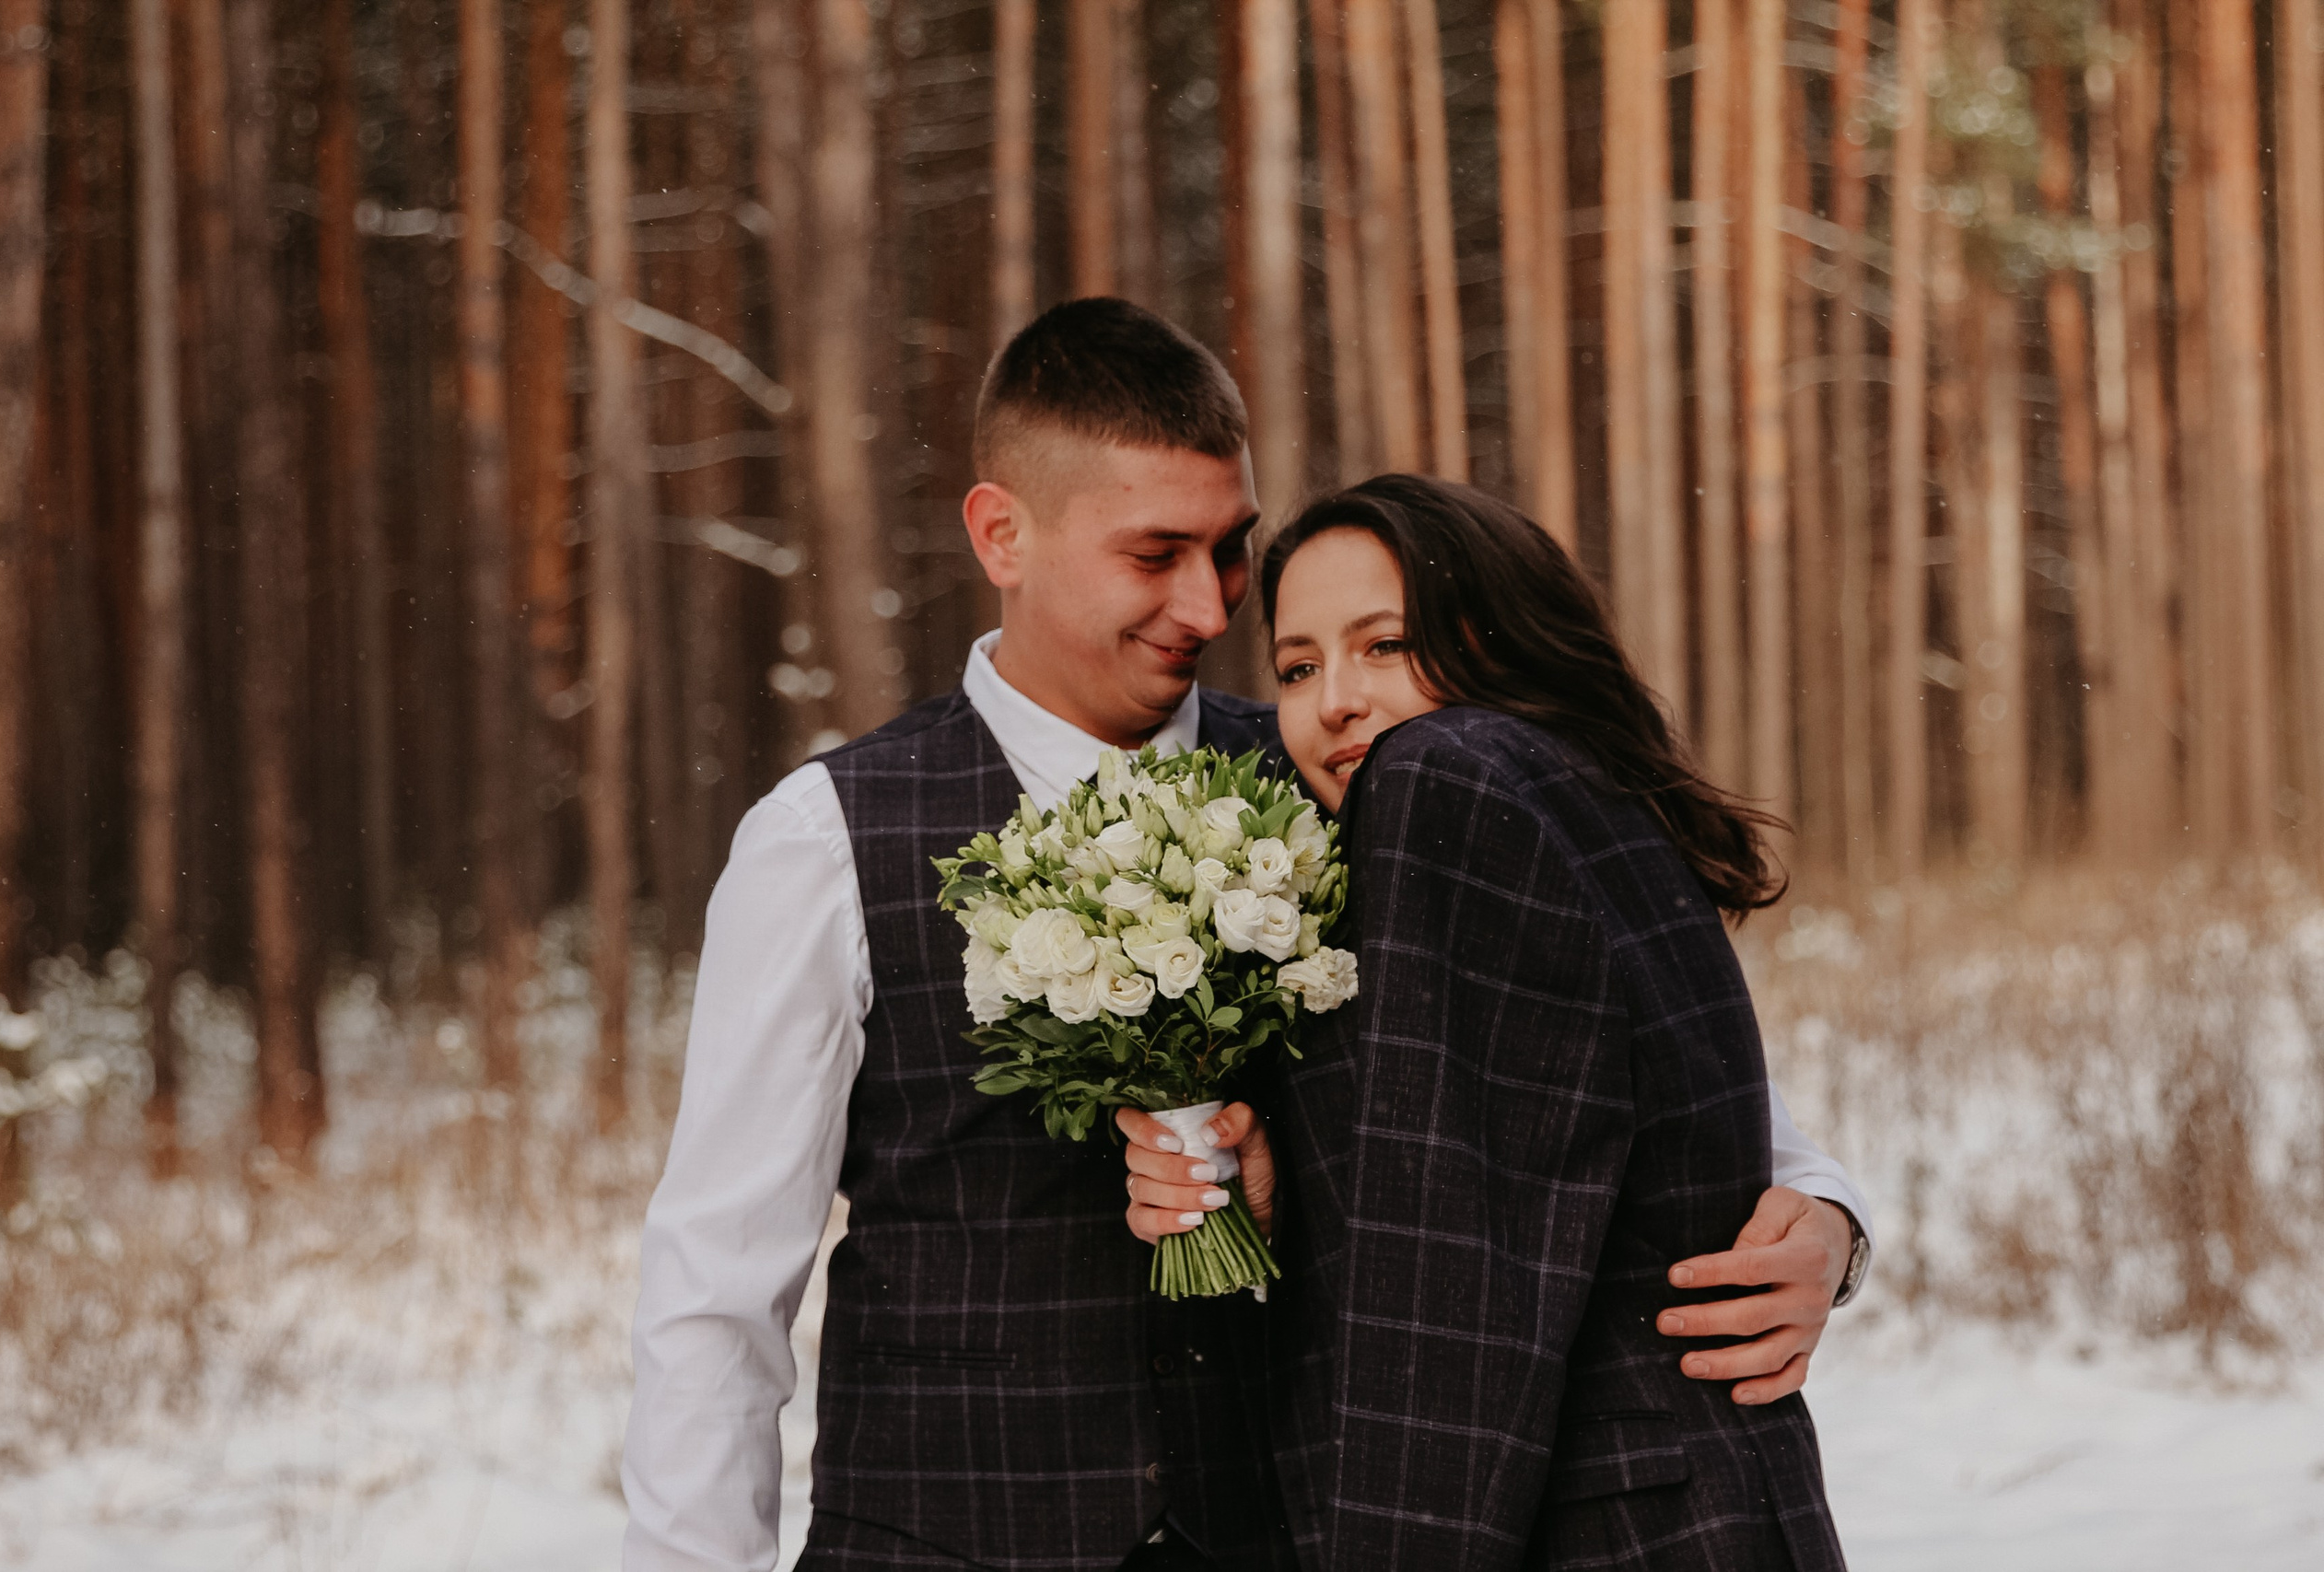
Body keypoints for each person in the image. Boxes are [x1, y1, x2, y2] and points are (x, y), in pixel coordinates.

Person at [626, 304, 1862, 1571]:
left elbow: (1600, 1051)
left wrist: (1821, 1212)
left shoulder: (1352, 772)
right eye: (1155, 553)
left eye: (1231, 550)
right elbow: (720, 1286)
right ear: (1002, 531)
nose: (1208, 602)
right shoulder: (826, 838)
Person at [1124, 474, 1858, 1569]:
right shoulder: (1566, 796)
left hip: (1593, 1518)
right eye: (1296, 665)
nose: (1333, 701)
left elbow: (1459, 1283)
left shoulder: (1444, 779)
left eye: (1384, 646)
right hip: (1697, 1502)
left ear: (1497, 638)